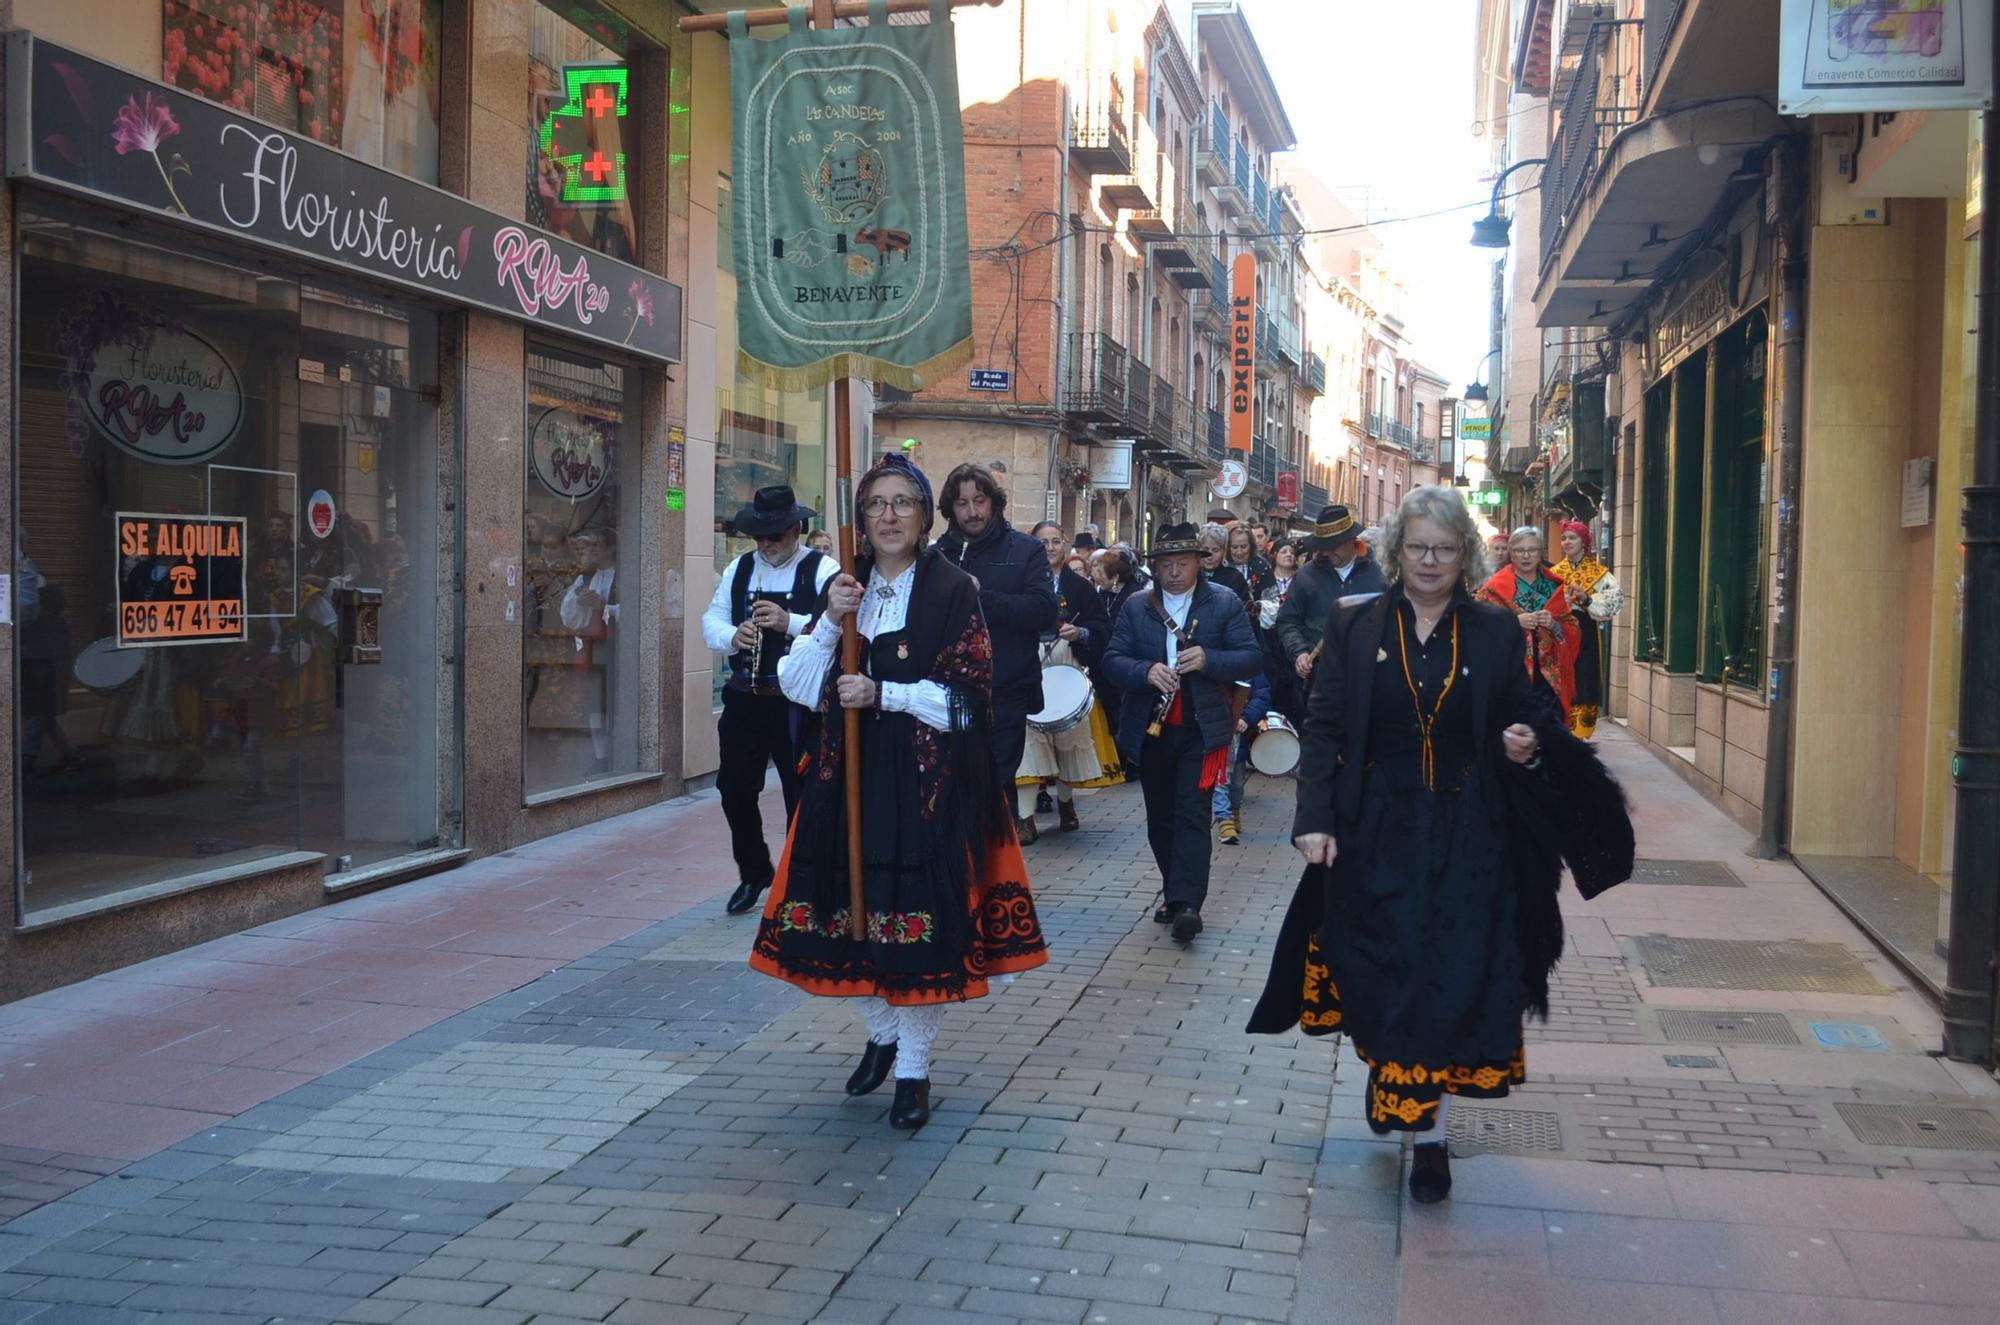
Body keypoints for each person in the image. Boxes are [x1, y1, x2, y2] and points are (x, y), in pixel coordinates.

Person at [1249, 486, 1633, 1204]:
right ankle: (1395, 1077)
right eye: (1419, 547)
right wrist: (1315, 818)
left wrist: (1526, 742)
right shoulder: (1354, 623)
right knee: (1389, 968)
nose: (1431, 560)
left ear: (1466, 556)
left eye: (1446, 548)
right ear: (1396, 552)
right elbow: (1326, 726)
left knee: (1454, 975)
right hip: (1377, 832)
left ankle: (1431, 1140)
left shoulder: (1491, 629)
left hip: (1471, 832)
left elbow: (1528, 711)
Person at [752, 454, 1050, 1132]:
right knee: (844, 918)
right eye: (876, 505)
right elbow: (797, 684)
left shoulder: (952, 590)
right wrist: (829, 621)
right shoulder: (844, 586)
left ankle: (913, 1066)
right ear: (861, 520)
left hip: (926, 785)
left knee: (919, 929)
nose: (888, 516)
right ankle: (881, 1030)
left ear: (924, 518)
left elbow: (972, 703)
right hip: (845, 780)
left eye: (902, 504)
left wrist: (883, 693)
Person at [1101, 522, 1263, 945]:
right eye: (1166, 564)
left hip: (1202, 728)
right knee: (1161, 817)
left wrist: (1209, 659)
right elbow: (1112, 659)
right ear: (1155, 567)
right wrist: (1145, 670)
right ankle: (1174, 893)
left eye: (1182, 563)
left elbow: (1250, 659)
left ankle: (1188, 904)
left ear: (1199, 564)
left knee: (1193, 814)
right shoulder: (1137, 607)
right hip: (1150, 728)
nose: (1174, 571)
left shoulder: (1224, 602)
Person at [701, 485, 838, 915]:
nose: (767, 543)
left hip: (797, 704)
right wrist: (731, 635)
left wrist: (789, 622)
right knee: (733, 790)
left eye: (776, 534)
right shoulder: (739, 569)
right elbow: (712, 620)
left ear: (796, 529)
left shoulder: (822, 567)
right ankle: (754, 870)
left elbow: (837, 628)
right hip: (745, 698)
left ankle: (803, 880)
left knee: (801, 793)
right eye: (760, 535)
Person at [935, 464, 1059, 835]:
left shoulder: (1026, 550)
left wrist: (979, 596)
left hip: (1007, 689)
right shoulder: (939, 554)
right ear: (950, 508)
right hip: (948, 691)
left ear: (994, 502)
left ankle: (995, 871)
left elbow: (1043, 611)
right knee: (954, 787)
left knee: (994, 781)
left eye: (979, 500)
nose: (971, 511)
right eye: (961, 503)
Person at [1016, 521, 1117, 836]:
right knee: (1029, 739)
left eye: (1056, 541)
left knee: (1066, 738)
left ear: (1066, 543)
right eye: (1043, 542)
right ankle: (1025, 817)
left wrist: (1081, 632)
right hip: (1028, 664)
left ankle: (1066, 803)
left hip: (1067, 664)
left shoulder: (1080, 587)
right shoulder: (1019, 582)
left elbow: (1102, 626)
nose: (1049, 548)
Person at [1275, 505, 1387, 694]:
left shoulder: (1379, 575)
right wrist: (1299, 652)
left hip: (1371, 678)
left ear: (1351, 540)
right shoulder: (1306, 576)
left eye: (1332, 546)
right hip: (1321, 679)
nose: (1325, 552)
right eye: (1322, 547)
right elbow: (1287, 621)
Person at [1479, 526, 1581, 715]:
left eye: (1532, 550)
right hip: (1510, 673)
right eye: (1519, 550)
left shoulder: (1554, 585)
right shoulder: (1494, 588)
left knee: (1548, 729)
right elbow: (1477, 625)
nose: (1526, 556)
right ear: (1511, 553)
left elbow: (1572, 627)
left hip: (1549, 678)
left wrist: (1553, 624)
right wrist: (1514, 622)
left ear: (1540, 552)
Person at [1550, 521, 1626, 739]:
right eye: (1564, 538)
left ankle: (1580, 732)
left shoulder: (1599, 574)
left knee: (1583, 677)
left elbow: (1615, 603)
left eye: (1572, 538)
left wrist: (1587, 598)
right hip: (1559, 631)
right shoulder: (1554, 573)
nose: (1567, 542)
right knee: (1561, 677)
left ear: (1584, 542)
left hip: (1586, 632)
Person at [1211, 668, 1270, 846]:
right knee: (1221, 779)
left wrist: (1247, 717)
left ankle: (1234, 810)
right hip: (1218, 731)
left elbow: (1261, 693)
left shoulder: (1251, 665)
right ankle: (1224, 819)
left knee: (1237, 782)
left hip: (1240, 733)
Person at [1199, 523, 1252, 605]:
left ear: (1224, 551)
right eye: (1205, 549)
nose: (1209, 556)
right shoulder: (1192, 574)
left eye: (1215, 550)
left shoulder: (1235, 578)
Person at [1225, 524, 1274, 604]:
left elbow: (1273, 601)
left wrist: (1258, 607)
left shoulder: (1262, 567)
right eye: (1234, 547)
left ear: (1251, 546)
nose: (1239, 552)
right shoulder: (1223, 567)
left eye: (1244, 546)